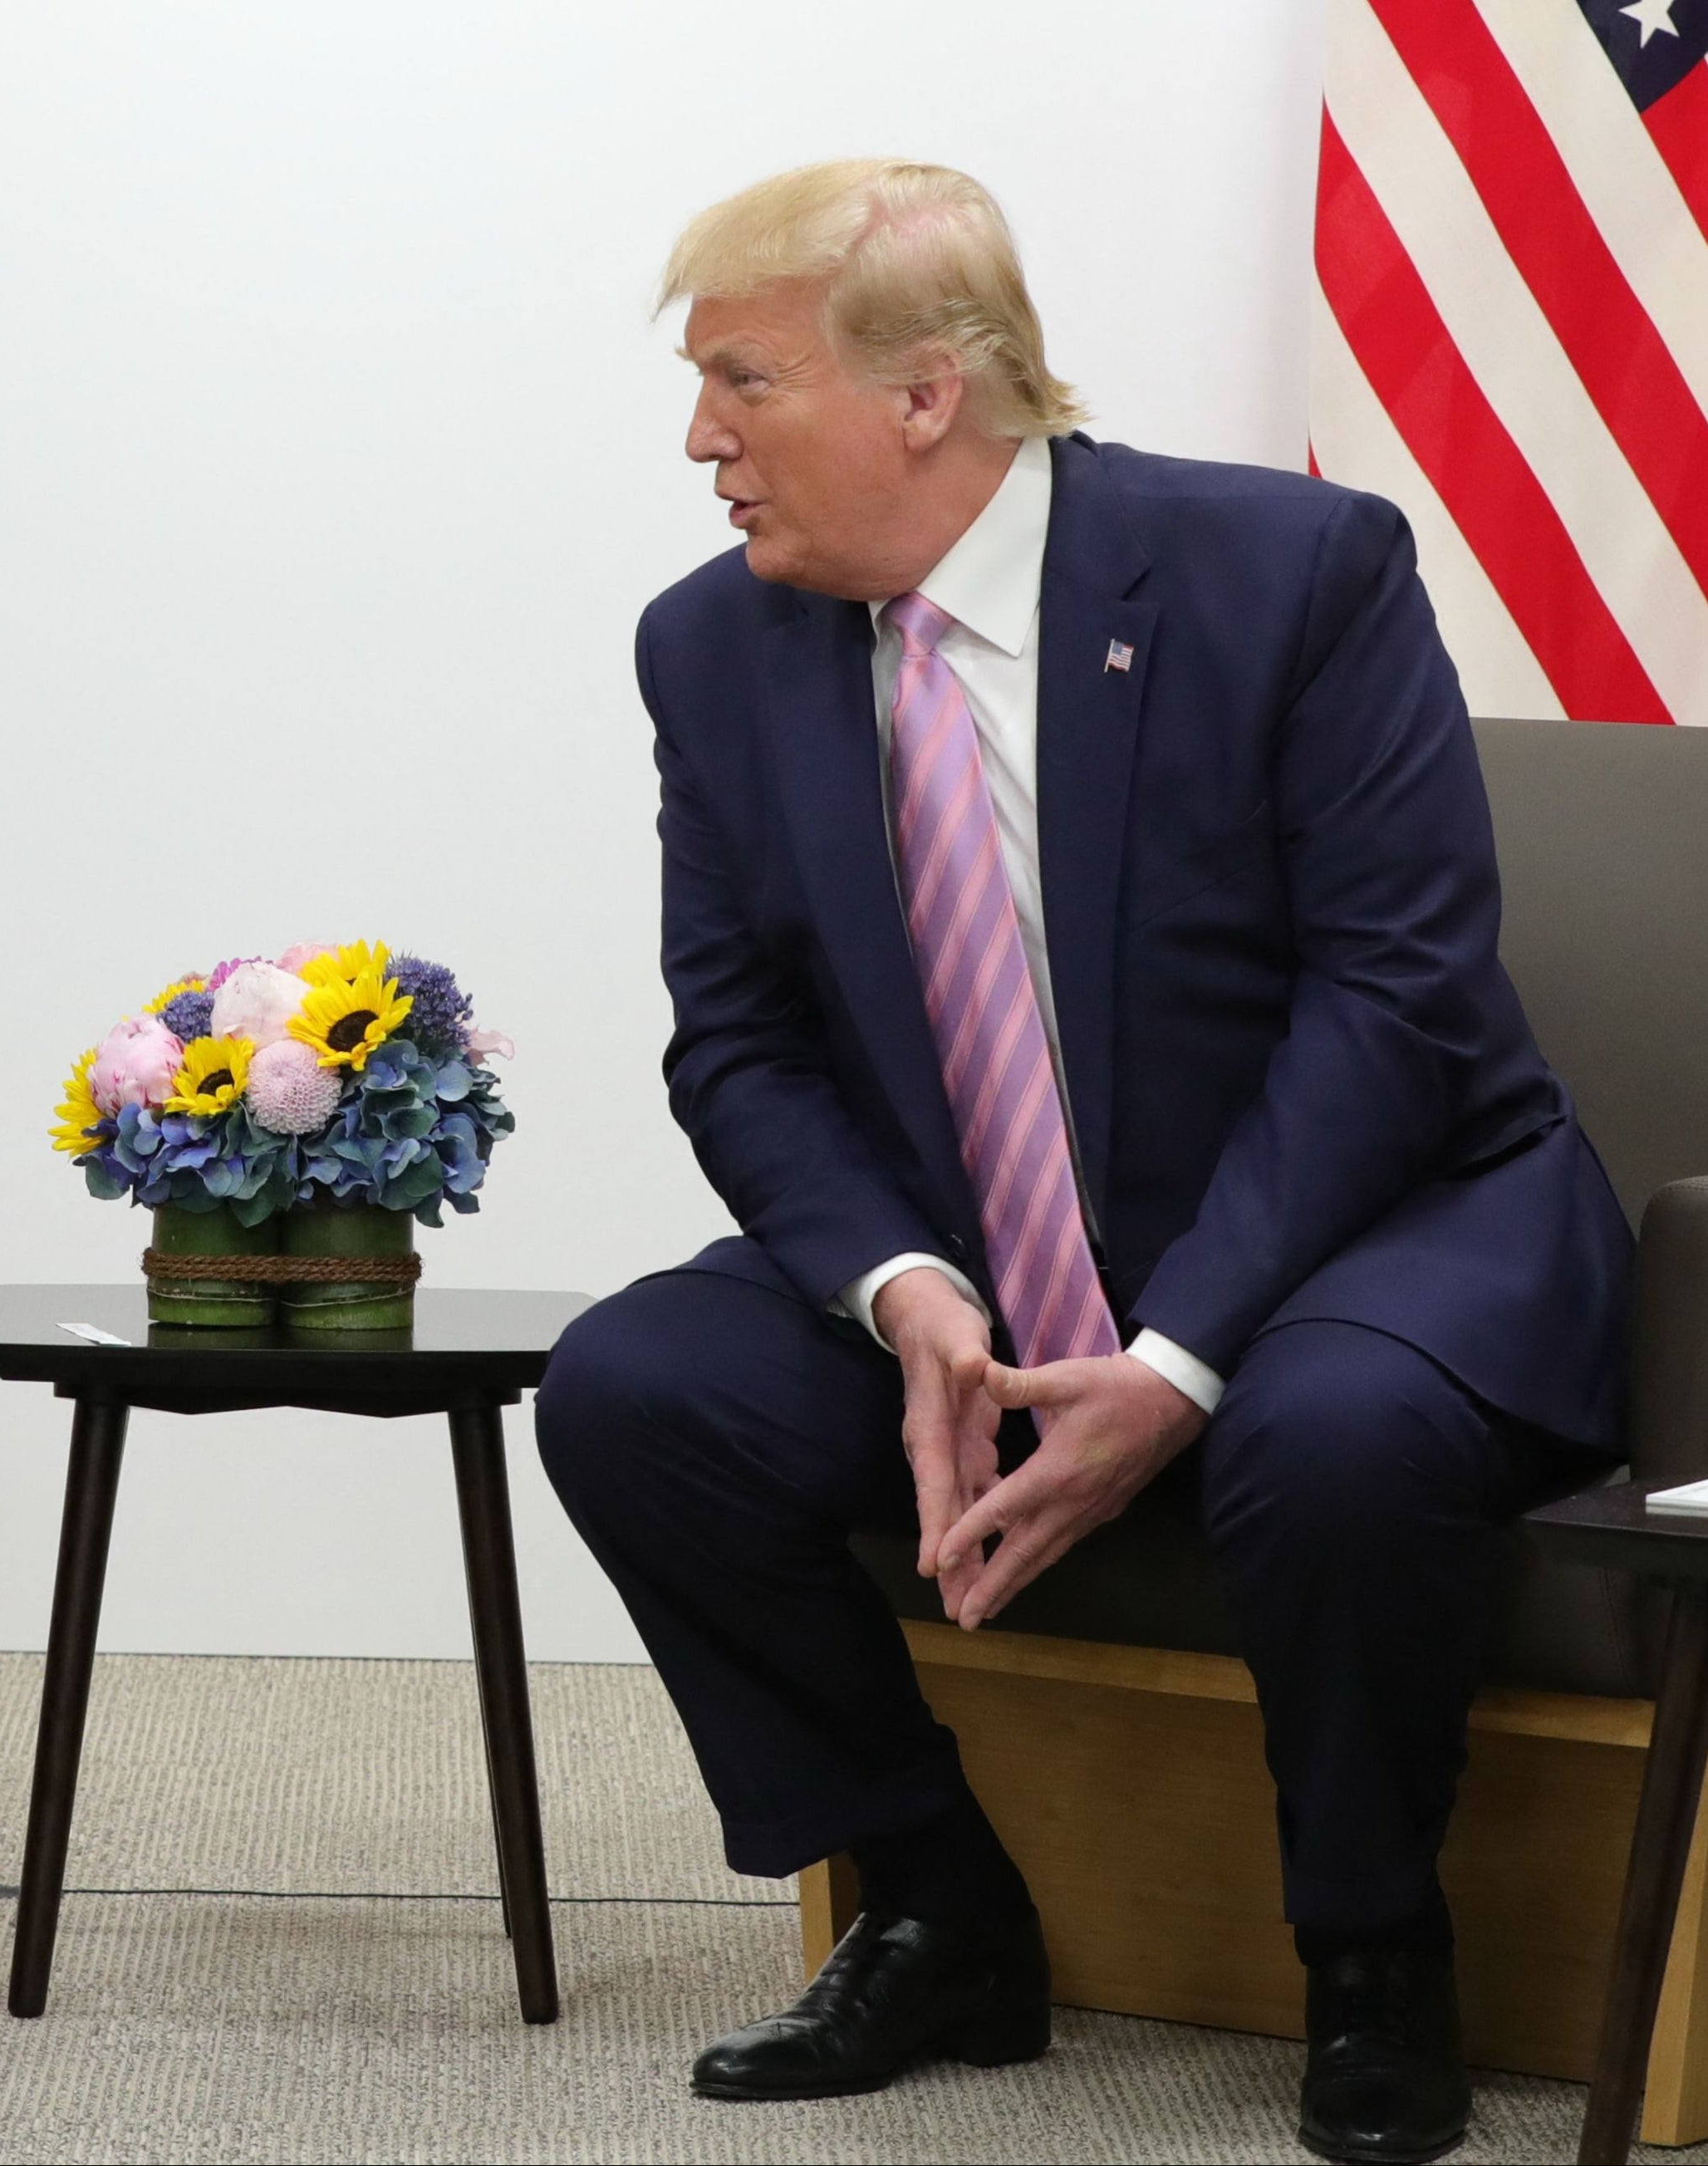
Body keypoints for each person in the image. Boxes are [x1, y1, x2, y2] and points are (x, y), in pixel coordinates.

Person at [534, 159, 1630, 2166]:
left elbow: (1394, 1003)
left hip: (1376, 1219)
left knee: (1336, 1437)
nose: (701, 439)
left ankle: (1374, 1946)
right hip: (989, 1247)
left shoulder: (1288, 572)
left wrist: (1182, 1347)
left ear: (927, 392)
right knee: (634, 1393)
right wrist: (907, 1290)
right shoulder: (712, 648)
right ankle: (935, 1897)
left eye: (740, 382)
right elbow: (741, 1036)